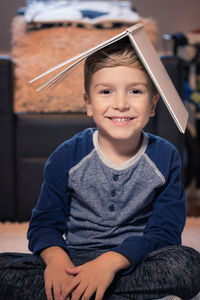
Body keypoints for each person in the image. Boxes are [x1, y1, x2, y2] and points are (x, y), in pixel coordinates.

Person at [0, 38, 200, 300]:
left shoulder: (165, 156)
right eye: (106, 92)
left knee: (188, 266)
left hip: (132, 262)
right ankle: (92, 290)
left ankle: (83, 293)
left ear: (152, 104)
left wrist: (111, 262)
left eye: (135, 91)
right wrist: (57, 262)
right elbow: (44, 225)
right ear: (88, 103)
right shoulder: (67, 155)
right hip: (74, 261)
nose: (120, 104)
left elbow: (165, 233)